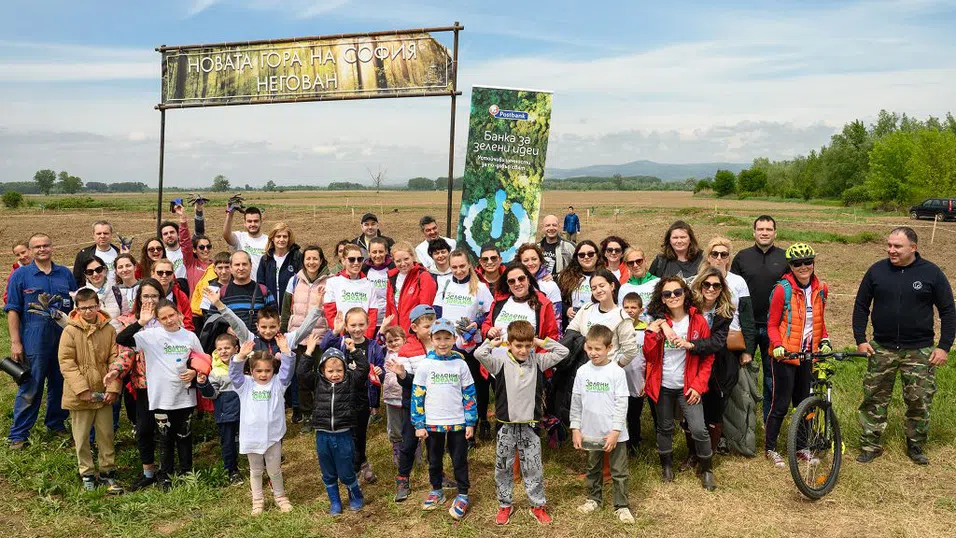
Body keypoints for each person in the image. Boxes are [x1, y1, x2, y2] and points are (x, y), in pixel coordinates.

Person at [853, 227, 954, 465]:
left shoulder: (931, 273)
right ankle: (870, 444)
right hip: (882, 348)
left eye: (897, 246)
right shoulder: (876, 271)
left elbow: (948, 311)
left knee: (919, 399)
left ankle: (916, 444)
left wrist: (944, 347)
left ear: (913, 248)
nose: (891, 250)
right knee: (874, 398)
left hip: (919, 351)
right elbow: (860, 306)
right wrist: (860, 339)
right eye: (889, 245)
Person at [475, 320, 569, 526]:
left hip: (530, 425)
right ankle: (505, 505)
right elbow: (478, 355)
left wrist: (538, 341)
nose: (524, 350)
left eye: (527, 346)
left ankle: (537, 505)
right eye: (518, 345)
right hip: (505, 425)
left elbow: (562, 351)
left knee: (533, 467)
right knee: (503, 467)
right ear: (509, 344)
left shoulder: (537, 361)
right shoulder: (499, 363)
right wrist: (493, 343)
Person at [113, 298, 210, 490]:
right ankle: (165, 475)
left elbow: (202, 359)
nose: (168, 320)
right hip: (160, 398)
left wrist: (194, 372)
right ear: (157, 320)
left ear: (179, 315)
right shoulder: (150, 336)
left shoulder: (189, 337)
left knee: (184, 436)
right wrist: (140, 322)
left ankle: (186, 473)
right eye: (163, 317)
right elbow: (121, 339)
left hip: (184, 396)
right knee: (165, 437)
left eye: (171, 315)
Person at [642, 276, 717, 490]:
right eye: (667, 294)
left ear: (685, 294)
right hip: (663, 385)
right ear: (662, 299)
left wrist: (698, 386)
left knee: (698, 429)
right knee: (664, 427)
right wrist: (652, 334)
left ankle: (707, 469)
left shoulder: (698, 321)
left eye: (677, 292)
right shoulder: (657, 323)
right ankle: (666, 466)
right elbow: (648, 355)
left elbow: (707, 357)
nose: (673, 297)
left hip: (688, 386)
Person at [5, 233, 77, 450]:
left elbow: (74, 307)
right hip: (34, 339)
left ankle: (56, 424)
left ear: (52, 247)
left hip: (63, 339)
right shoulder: (21, 276)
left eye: (46, 245)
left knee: (59, 383)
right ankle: (18, 434)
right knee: (31, 385)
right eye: (37, 247)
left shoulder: (65, 274)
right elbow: (13, 310)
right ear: (31, 250)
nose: (42, 249)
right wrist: (16, 341)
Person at [764, 243, 831, 468]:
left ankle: (802, 446)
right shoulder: (782, 289)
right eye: (797, 263)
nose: (803, 267)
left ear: (813, 263)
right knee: (780, 404)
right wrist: (777, 345)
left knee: (805, 403)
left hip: (808, 355)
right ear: (790, 266)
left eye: (807, 262)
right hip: (786, 355)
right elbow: (772, 324)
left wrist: (825, 339)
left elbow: (819, 321)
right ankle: (771, 448)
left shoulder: (821, 288)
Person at [58, 288, 123, 494]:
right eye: (84, 308)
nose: (88, 311)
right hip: (79, 394)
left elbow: (115, 359)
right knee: (82, 435)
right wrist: (81, 389)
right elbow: (66, 362)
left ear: (98, 306)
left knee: (106, 434)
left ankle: (107, 472)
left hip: (103, 391)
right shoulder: (70, 331)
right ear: (77, 308)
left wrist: (113, 388)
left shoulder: (109, 330)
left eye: (92, 307)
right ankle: (86, 472)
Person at [411, 318, 477, 520]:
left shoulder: (461, 364)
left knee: (459, 460)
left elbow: (469, 393)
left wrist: (471, 421)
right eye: (438, 338)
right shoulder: (425, 365)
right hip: (432, 424)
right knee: (434, 459)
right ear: (431, 338)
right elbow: (417, 395)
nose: (442, 342)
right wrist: (419, 424)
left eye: (447, 338)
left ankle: (463, 494)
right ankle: (437, 489)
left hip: (457, 422)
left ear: (454, 339)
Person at [570, 325, 633, 524]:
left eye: (598, 349)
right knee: (593, 467)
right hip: (590, 431)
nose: (593, 353)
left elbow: (622, 403)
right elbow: (576, 402)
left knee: (619, 471)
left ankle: (621, 505)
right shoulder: (582, 372)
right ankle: (593, 499)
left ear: (609, 347)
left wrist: (615, 431)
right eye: (589, 348)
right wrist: (575, 428)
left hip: (615, 433)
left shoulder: (616, 372)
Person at [106, 279, 164, 490]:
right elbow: (125, 349)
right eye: (146, 296)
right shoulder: (130, 320)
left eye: (154, 296)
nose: (150, 300)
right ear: (139, 298)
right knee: (144, 429)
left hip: (167, 384)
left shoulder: (169, 317)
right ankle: (148, 471)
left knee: (168, 429)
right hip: (143, 384)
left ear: (161, 297)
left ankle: (166, 471)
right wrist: (116, 371)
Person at [228, 336, 296, 515]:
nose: (263, 374)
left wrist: (286, 351)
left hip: (273, 436)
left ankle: (280, 497)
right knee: (256, 470)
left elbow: (288, 372)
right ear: (251, 371)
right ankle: (257, 501)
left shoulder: (278, 384)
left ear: (273, 370)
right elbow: (234, 374)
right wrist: (240, 356)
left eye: (268, 370)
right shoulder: (245, 385)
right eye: (259, 371)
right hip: (252, 436)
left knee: (275, 470)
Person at [299, 345, 369, 515]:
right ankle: (335, 502)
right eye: (330, 371)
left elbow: (364, 368)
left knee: (346, 471)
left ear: (345, 369)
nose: (335, 374)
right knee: (328, 471)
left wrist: (353, 350)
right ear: (322, 370)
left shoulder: (350, 381)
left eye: (339, 370)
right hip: (322, 435)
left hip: (343, 434)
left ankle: (356, 496)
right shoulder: (317, 382)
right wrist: (308, 353)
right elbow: (301, 374)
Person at [702, 237, 757, 455]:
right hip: (705, 343)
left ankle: (727, 438)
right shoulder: (701, 279)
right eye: (715, 253)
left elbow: (747, 317)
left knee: (727, 393)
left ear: (729, 258)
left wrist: (748, 350)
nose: (719, 258)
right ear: (708, 256)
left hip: (729, 344)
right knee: (708, 392)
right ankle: (706, 440)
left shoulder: (738, 282)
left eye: (724, 254)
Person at [731, 215, 787, 422]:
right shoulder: (742, 257)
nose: (764, 232)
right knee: (739, 376)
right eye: (760, 229)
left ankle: (768, 423)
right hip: (747, 328)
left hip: (775, 328)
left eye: (769, 229)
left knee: (772, 379)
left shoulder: (784, 258)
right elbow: (732, 290)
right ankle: (741, 424)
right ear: (753, 232)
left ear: (775, 233)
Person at [434, 250, 494, 440]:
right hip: (450, 345)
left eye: (462, 266)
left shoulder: (481, 287)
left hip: (472, 345)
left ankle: (482, 420)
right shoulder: (445, 284)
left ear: (469, 264)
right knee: (456, 386)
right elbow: (437, 309)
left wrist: (477, 321)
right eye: (454, 267)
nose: (459, 271)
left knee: (478, 385)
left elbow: (491, 312)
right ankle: (461, 426)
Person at [680, 267, 736, 472]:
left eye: (716, 285)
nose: (711, 288)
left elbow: (717, 342)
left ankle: (706, 458)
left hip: (719, 370)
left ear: (722, 289)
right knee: (690, 412)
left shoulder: (726, 311)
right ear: (700, 284)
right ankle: (692, 454)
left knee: (713, 413)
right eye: (707, 284)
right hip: (691, 366)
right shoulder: (688, 306)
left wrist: (692, 345)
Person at [321, 308, 386, 485]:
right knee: (347, 434)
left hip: (364, 397)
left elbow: (381, 369)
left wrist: (380, 372)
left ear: (368, 324)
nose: (357, 329)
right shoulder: (341, 343)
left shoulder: (373, 346)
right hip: (343, 397)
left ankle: (358, 466)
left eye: (361, 324)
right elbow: (323, 347)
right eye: (353, 325)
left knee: (360, 433)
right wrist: (335, 331)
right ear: (346, 326)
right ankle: (355, 464)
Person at [281, 244, 331, 434]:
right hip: (299, 337)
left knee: (322, 376)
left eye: (315, 259)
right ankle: (308, 415)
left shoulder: (330, 282)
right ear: (303, 261)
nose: (311, 262)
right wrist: (286, 335)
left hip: (321, 338)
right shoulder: (294, 281)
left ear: (321, 260)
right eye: (308, 258)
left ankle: (322, 414)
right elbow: (286, 310)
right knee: (302, 378)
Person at [389, 305, 436, 503]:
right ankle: (403, 478)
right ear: (415, 327)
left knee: (436, 443)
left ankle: (438, 477)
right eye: (427, 326)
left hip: (436, 404)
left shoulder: (441, 344)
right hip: (414, 404)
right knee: (409, 443)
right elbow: (408, 382)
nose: (431, 329)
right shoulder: (407, 350)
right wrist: (402, 375)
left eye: (433, 324)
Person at [196, 333, 244, 484]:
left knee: (248, 439)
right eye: (219, 349)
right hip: (225, 414)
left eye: (227, 348)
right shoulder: (215, 372)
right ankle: (232, 470)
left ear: (236, 349)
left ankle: (260, 464)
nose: (223, 351)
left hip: (245, 413)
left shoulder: (245, 366)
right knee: (228, 443)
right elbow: (211, 394)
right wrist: (204, 384)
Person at [482, 264, 560, 343]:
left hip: (530, 354)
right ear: (507, 284)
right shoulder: (499, 302)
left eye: (521, 279)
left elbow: (552, 337)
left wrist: (539, 355)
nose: (517, 284)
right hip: (496, 354)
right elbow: (486, 324)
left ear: (528, 279)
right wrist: (488, 331)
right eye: (511, 281)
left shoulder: (543, 304)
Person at [323, 243, 378, 339]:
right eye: (352, 259)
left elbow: (372, 315)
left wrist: (365, 339)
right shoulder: (333, 282)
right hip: (341, 336)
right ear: (343, 261)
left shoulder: (369, 284)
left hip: (363, 336)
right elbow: (330, 313)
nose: (356, 263)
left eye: (360, 259)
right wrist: (340, 335)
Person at [217, 251, 276, 335]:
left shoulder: (263, 290)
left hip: (258, 344)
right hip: (232, 345)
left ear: (251, 266)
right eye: (237, 265)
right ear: (230, 268)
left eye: (244, 264)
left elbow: (274, 318)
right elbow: (213, 319)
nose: (241, 268)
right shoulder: (222, 292)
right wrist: (226, 329)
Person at [620, 292, 651, 453]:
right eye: (626, 307)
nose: (630, 310)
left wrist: (646, 379)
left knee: (634, 416)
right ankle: (618, 444)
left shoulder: (646, 330)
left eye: (634, 307)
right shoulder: (617, 327)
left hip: (637, 380)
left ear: (641, 309)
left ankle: (634, 445)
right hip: (619, 379)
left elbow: (650, 357)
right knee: (618, 415)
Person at [385, 242, 438, 333]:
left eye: (406, 259)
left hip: (414, 333)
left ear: (413, 257)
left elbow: (425, 310)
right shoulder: (392, 277)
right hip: (396, 334)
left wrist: (417, 332)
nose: (403, 263)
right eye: (398, 261)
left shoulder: (423, 276)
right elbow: (389, 309)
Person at [517, 243, 564, 334]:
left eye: (534, 259)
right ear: (520, 262)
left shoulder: (550, 285)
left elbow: (556, 319)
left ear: (540, 260)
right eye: (526, 260)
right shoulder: (514, 284)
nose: (530, 263)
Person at [557, 240, 602, 327]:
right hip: (573, 326)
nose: (586, 257)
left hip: (599, 326)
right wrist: (566, 310)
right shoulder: (566, 277)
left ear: (597, 255)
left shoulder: (606, 276)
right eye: (581, 255)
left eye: (590, 254)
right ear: (576, 257)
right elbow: (556, 300)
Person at [380, 326, 408, 464]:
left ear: (404, 339)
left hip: (407, 395)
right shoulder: (385, 353)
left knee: (410, 423)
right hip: (391, 396)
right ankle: (397, 446)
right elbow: (376, 342)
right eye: (389, 341)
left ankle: (415, 448)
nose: (393, 343)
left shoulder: (409, 353)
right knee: (394, 424)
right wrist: (383, 328)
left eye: (396, 340)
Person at [256, 222, 302, 304]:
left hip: (291, 307)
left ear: (289, 239)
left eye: (285, 236)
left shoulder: (297, 257)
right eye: (278, 236)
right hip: (270, 308)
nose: (281, 239)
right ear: (272, 238)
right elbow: (260, 286)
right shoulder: (265, 259)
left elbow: (302, 283)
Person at [174, 203, 213, 293]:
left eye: (208, 246)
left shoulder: (215, 266)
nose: (206, 250)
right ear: (194, 250)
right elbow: (185, 243)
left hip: (211, 306)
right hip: (195, 306)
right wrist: (183, 219)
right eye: (202, 247)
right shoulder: (191, 264)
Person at [223, 206, 268, 280]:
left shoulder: (268, 240)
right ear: (244, 223)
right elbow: (226, 235)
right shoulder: (240, 237)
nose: (253, 224)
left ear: (261, 222)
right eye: (249, 221)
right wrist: (230, 214)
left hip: (262, 285)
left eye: (256, 221)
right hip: (243, 284)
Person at [80, 256, 125, 331]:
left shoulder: (119, 292)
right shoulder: (80, 295)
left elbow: (126, 319)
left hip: (118, 340)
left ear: (105, 270)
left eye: (98, 270)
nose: (95, 274)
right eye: (90, 272)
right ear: (86, 275)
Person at [72, 220, 120, 288]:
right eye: (99, 233)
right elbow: (77, 280)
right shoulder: (84, 255)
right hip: (93, 296)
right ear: (93, 235)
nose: (102, 236)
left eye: (106, 233)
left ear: (111, 234)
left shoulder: (119, 253)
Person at [151, 259, 195, 332]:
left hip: (176, 336)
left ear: (172, 275)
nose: (164, 276)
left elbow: (188, 322)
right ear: (152, 273)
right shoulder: (144, 294)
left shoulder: (180, 295)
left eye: (168, 273)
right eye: (160, 273)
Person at [363, 237, 394, 334]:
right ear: (369, 253)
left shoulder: (393, 268)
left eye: (381, 251)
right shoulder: (363, 270)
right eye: (374, 252)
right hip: (369, 322)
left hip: (389, 321)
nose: (377, 255)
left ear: (386, 252)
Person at [618, 247, 659, 315]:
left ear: (645, 261)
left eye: (639, 261)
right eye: (631, 263)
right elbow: (621, 313)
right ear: (627, 266)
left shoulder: (657, 282)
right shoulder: (624, 288)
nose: (635, 265)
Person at [159, 220, 189, 291]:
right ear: (162, 238)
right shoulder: (161, 255)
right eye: (165, 234)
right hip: (170, 290)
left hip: (188, 288)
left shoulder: (187, 251)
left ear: (178, 234)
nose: (169, 235)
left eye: (172, 232)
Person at [5, 240, 33, 304]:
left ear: (30, 250)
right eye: (18, 255)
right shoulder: (15, 273)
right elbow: (7, 297)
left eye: (23, 252)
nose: (22, 257)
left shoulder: (45, 266)